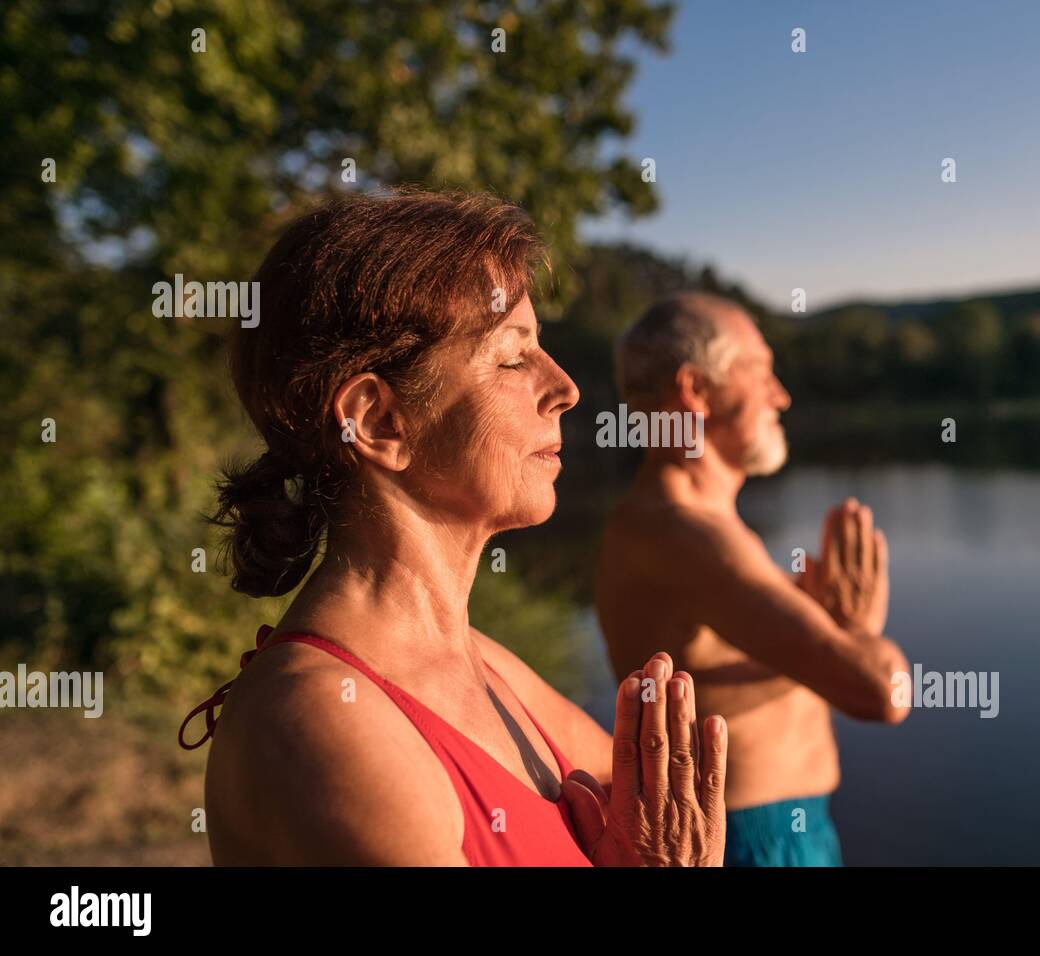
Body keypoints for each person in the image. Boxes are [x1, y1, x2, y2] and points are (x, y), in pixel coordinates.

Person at [178, 190, 727, 866]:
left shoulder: (482, 661)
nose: (564, 387)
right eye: (511, 358)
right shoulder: (327, 727)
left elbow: (651, 813)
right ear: (379, 422)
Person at [595, 292, 910, 867]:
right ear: (696, 390)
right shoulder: (684, 535)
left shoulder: (680, 522)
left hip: (779, 829)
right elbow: (881, 693)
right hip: (754, 841)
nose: (781, 396)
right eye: (762, 372)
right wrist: (860, 631)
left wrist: (833, 633)